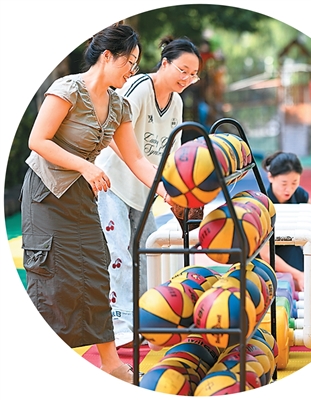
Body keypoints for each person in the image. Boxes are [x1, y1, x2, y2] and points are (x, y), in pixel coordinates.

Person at [19, 23, 173, 384]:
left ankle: (111, 363)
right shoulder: (67, 90)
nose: (132, 70)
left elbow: (136, 159)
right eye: (129, 62)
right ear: (107, 56)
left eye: (136, 64)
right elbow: (38, 141)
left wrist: (169, 193)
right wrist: (86, 166)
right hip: (46, 195)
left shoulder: (118, 105)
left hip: (82, 198)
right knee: (54, 280)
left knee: (95, 275)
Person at [95, 36, 202, 348]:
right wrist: (139, 167)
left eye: (193, 75)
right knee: (119, 253)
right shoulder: (140, 88)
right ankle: (119, 324)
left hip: (144, 189)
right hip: (113, 184)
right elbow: (109, 131)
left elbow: (173, 156)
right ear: (165, 63)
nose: (187, 78)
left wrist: (181, 192)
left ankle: (143, 320)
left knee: (148, 253)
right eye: (183, 70)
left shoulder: (177, 103)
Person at [259, 151, 311, 291]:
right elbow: (265, 254)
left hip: (294, 249)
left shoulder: (300, 195)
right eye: (284, 183)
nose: (289, 189)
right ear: (270, 177)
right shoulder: (262, 203)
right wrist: (298, 275)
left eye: (294, 183)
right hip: (269, 258)